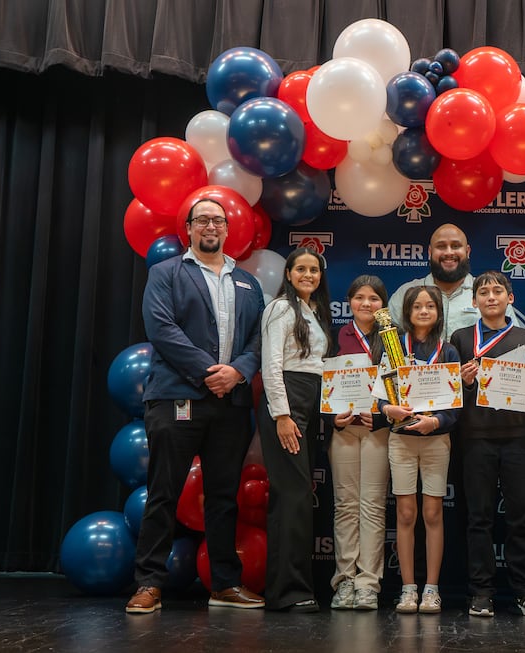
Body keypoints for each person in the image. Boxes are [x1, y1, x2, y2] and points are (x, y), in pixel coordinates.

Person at [127, 198, 265, 614]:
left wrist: (237, 372)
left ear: (227, 230)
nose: (211, 226)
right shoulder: (165, 274)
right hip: (177, 399)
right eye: (203, 219)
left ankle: (224, 584)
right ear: (188, 228)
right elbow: (162, 329)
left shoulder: (248, 283)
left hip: (232, 405)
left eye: (218, 221)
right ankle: (149, 584)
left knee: (224, 497)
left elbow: (261, 337)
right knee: (163, 493)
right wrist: (211, 372)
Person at [450, 271, 525, 619]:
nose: (490, 297)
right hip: (475, 439)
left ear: (511, 298)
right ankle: (481, 592)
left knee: (521, 517)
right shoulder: (461, 338)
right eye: (483, 292)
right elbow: (448, 395)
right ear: (474, 301)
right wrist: (461, 383)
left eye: (497, 291)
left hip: (519, 437)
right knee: (479, 518)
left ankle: (524, 591)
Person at [256, 247, 332, 612]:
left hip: (309, 404)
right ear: (288, 274)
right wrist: (282, 416)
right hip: (287, 406)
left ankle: (292, 589)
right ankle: (288, 592)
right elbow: (270, 366)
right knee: (294, 496)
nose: (308, 275)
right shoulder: (280, 308)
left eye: (314, 270)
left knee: (296, 496)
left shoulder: (314, 312)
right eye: (300, 269)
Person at [378, 285, 460, 614]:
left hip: (436, 440)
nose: (423, 311)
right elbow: (380, 394)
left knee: (432, 513)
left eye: (430, 306)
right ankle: (408, 589)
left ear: (439, 312)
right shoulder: (394, 348)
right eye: (417, 307)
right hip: (401, 439)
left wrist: (436, 422)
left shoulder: (449, 351)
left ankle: (432, 589)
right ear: (407, 313)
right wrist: (388, 410)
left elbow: (456, 406)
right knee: (406, 513)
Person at [327, 275, 391, 611]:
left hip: (377, 431)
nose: (366, 304)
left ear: (384, 304)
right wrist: (330, 418)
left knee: (372, 506)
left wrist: (380, 417)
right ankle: (345, 581)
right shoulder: (335, 335)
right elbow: (322, 384)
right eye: (360, 298)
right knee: (346, 507)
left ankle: (368, 583)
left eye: (374, 299)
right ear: (349, 301)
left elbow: (401, 386)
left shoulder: (393, 338)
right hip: (344, 431)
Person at [387, 223, 520, 340]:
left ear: (467, 251)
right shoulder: (404, 294)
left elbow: (512, 341)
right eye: (441, 246)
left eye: (456, 246)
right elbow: (388, 343)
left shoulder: (491, 295)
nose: (449, 252)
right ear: (430, 252)